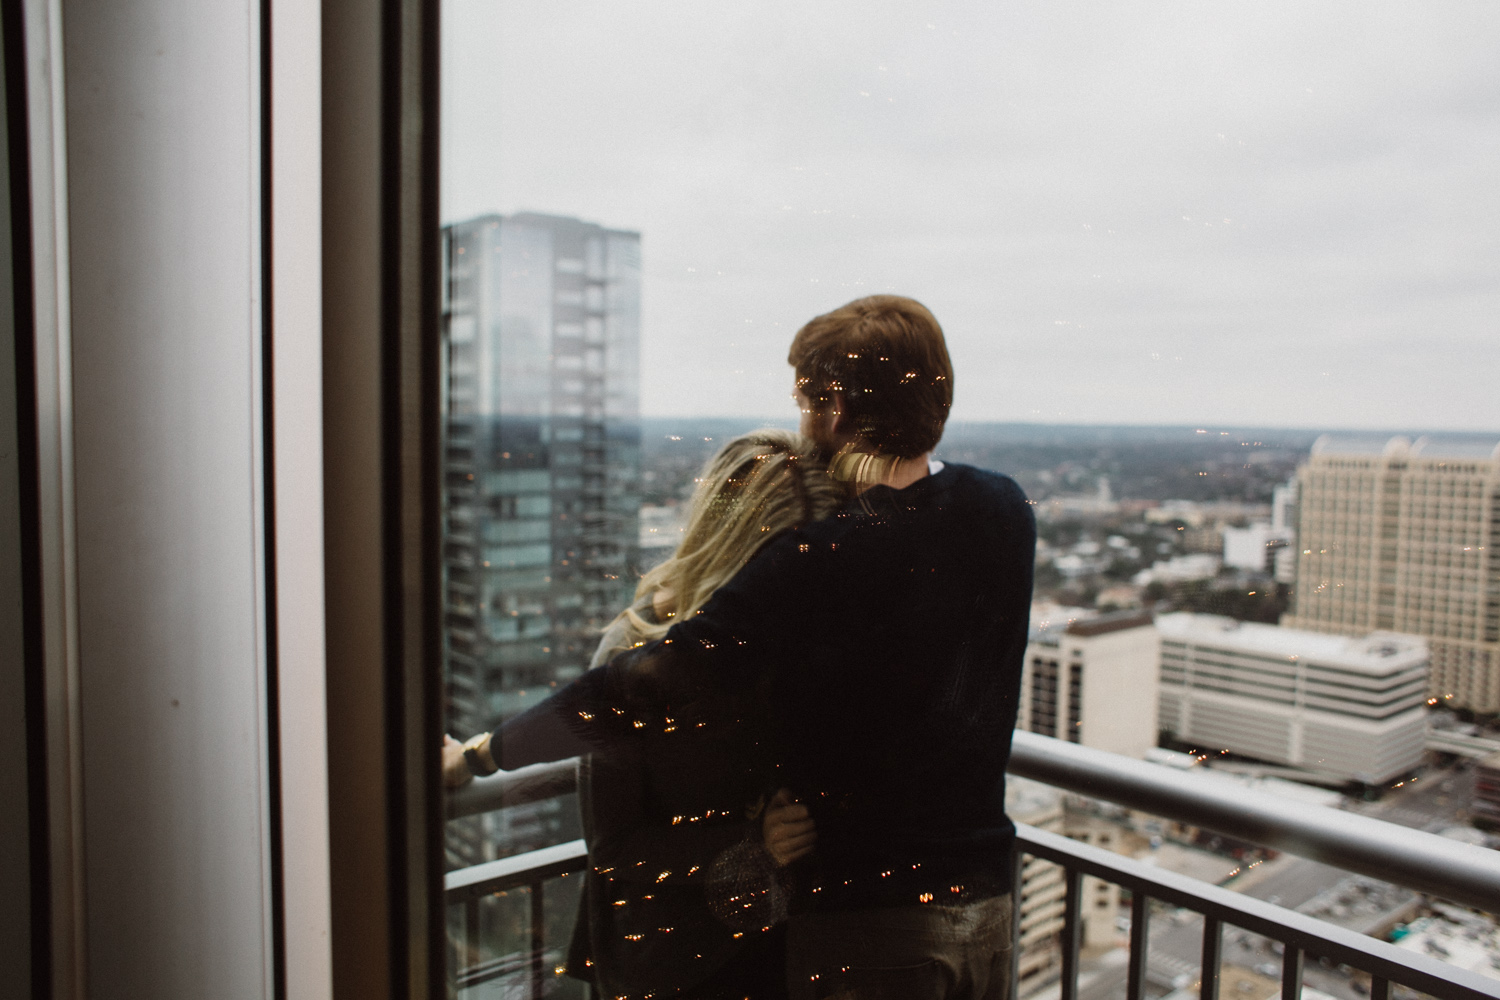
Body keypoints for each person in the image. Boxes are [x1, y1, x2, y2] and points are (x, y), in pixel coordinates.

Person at [448, 295, 1036, 999]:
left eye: (806, 401)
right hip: (989, 907)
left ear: (835, 410)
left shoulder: (823, 558)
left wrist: (482, 754)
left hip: (876, 931)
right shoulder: (1001, 508)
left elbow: (638, 687)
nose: (803, 420)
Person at [448, 429, 842, 1000]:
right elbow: (616, 848)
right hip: (674, 965)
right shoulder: (637, 652)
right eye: (775, 567)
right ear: (732, 550)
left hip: (772, 949)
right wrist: (753, 842)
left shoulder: (795, 650)